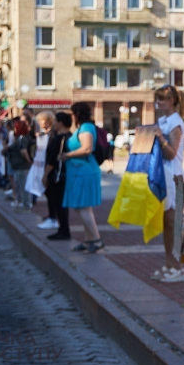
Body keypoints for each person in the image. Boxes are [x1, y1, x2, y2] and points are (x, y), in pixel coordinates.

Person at [150, 84, 184, 282]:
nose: (158, 103)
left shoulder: (175, 122)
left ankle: (178, 266)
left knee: (174, 223)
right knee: (166, 223)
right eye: (157, 99)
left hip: (174, 176)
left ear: (172, 101)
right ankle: (169, 263)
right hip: (163, 175)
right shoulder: (163, 120)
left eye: (162, 99)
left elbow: (172, 152)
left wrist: (160, 139)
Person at [60, 102, 104, 254]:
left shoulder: (86, 127)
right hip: (79, 171)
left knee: (81, 207)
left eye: (72, 113)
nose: (71, 116)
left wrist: (67, 155)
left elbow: (87, 149)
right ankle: (88, 240)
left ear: (77, 114)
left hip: (84, 171)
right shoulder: (82, 128)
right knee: (84, 206)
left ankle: (96, 240)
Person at [42, 112, 72, 240]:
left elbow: (53, 160)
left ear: (60, 123)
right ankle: (62, 228)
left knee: (59, 203)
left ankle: (64, 230)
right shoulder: (65, 136)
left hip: (59, 175)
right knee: (58, 202)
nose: (53, 124)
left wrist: (45, 175)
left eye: (55, 121)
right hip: (61, 174)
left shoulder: (62, 138)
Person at [28, 112, 55, 229]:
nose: (39, 123)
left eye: (41, 120)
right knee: (48, 194)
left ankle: (53, 217)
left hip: (49, 169)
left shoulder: (52, 135)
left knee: (51, 195)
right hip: (41, 168)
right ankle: (51, 215)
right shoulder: (43, 134)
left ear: (49, 120)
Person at [6, 119, 33, 209]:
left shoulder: (22, 138)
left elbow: (23, 151)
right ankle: (23, 202)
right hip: (19, 165)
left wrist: (29, 161)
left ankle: (26, 204)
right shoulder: (21, 138)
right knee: (20, 184)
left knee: (23, 185)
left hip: (22, 165)